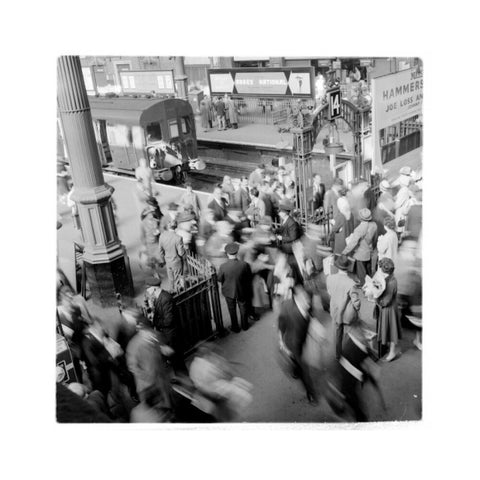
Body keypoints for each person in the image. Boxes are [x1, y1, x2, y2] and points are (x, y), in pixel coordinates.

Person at [126, 314, 174, 415]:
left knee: (168, 407)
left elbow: (161, 347)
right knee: (155, 413)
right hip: (147, 387)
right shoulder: (134, 345)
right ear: (141, 331)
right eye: (146, 332)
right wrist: (147, 376)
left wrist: (164, 350)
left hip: (161, 380)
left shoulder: (156, 335)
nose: (150, 334)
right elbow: (132, 366)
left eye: (150, 330)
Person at [277, 285, 317, 403]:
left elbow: (309, 318)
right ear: (297, 298)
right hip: (292, 343)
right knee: (304, 370)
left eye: (309, 299)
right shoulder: (287, 306)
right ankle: (311, 393)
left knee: (295, 362)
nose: (308, 303)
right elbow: (281, 325)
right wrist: (281, 341)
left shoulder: (308, 306)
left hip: (301, 340)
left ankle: (294, 369)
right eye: (305, 300)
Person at [326, 255, 362, 360]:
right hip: (347, 314)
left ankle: (337, 354)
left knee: (337, 332)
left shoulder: (329, 278)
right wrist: (358, 306)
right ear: (348, 268)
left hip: (335, 310)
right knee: (352, 330)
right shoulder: (351, 283)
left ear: (337, 267)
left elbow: (329, 292)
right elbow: (356, 302)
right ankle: (352, 351)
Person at [217, 242, 253, 332]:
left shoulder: (223, 266)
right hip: (242, 290)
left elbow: (219, 279)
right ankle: (245, 326)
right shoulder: (244, 264)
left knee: (231, 309)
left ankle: (235, 327)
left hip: (228, 291)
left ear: (227, 253)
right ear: (237, 252)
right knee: (243, 308)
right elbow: (249, 277)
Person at [374, 257, 401, 361]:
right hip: (391, 307)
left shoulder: (390, 283)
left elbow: (385, 301)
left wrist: (375, 298)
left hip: (388, 309)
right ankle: (390, 348)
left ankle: (392, 352)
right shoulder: (391, 278)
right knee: (390, 328)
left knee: (391, 330)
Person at [342, 208, 378, 286]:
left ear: (361, 217)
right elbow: (375, 239)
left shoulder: (359, 229)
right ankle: (370, 288)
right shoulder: (374, 225)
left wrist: (345, 252)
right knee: (369, 275)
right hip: (369, 253)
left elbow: (353, 243)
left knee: (362, 276)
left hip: (360, 255)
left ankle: (364, 291)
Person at [158, 220, 186, 292]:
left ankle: (172, 292)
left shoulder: (162, 236)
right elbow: (181, 253)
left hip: (168, 262)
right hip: (176, 263)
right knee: (177, 281)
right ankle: (178, 294)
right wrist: (184, 249)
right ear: (176, 227)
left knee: (171, 280)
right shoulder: (178, 238)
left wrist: (163, 260)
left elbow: (160, 251)